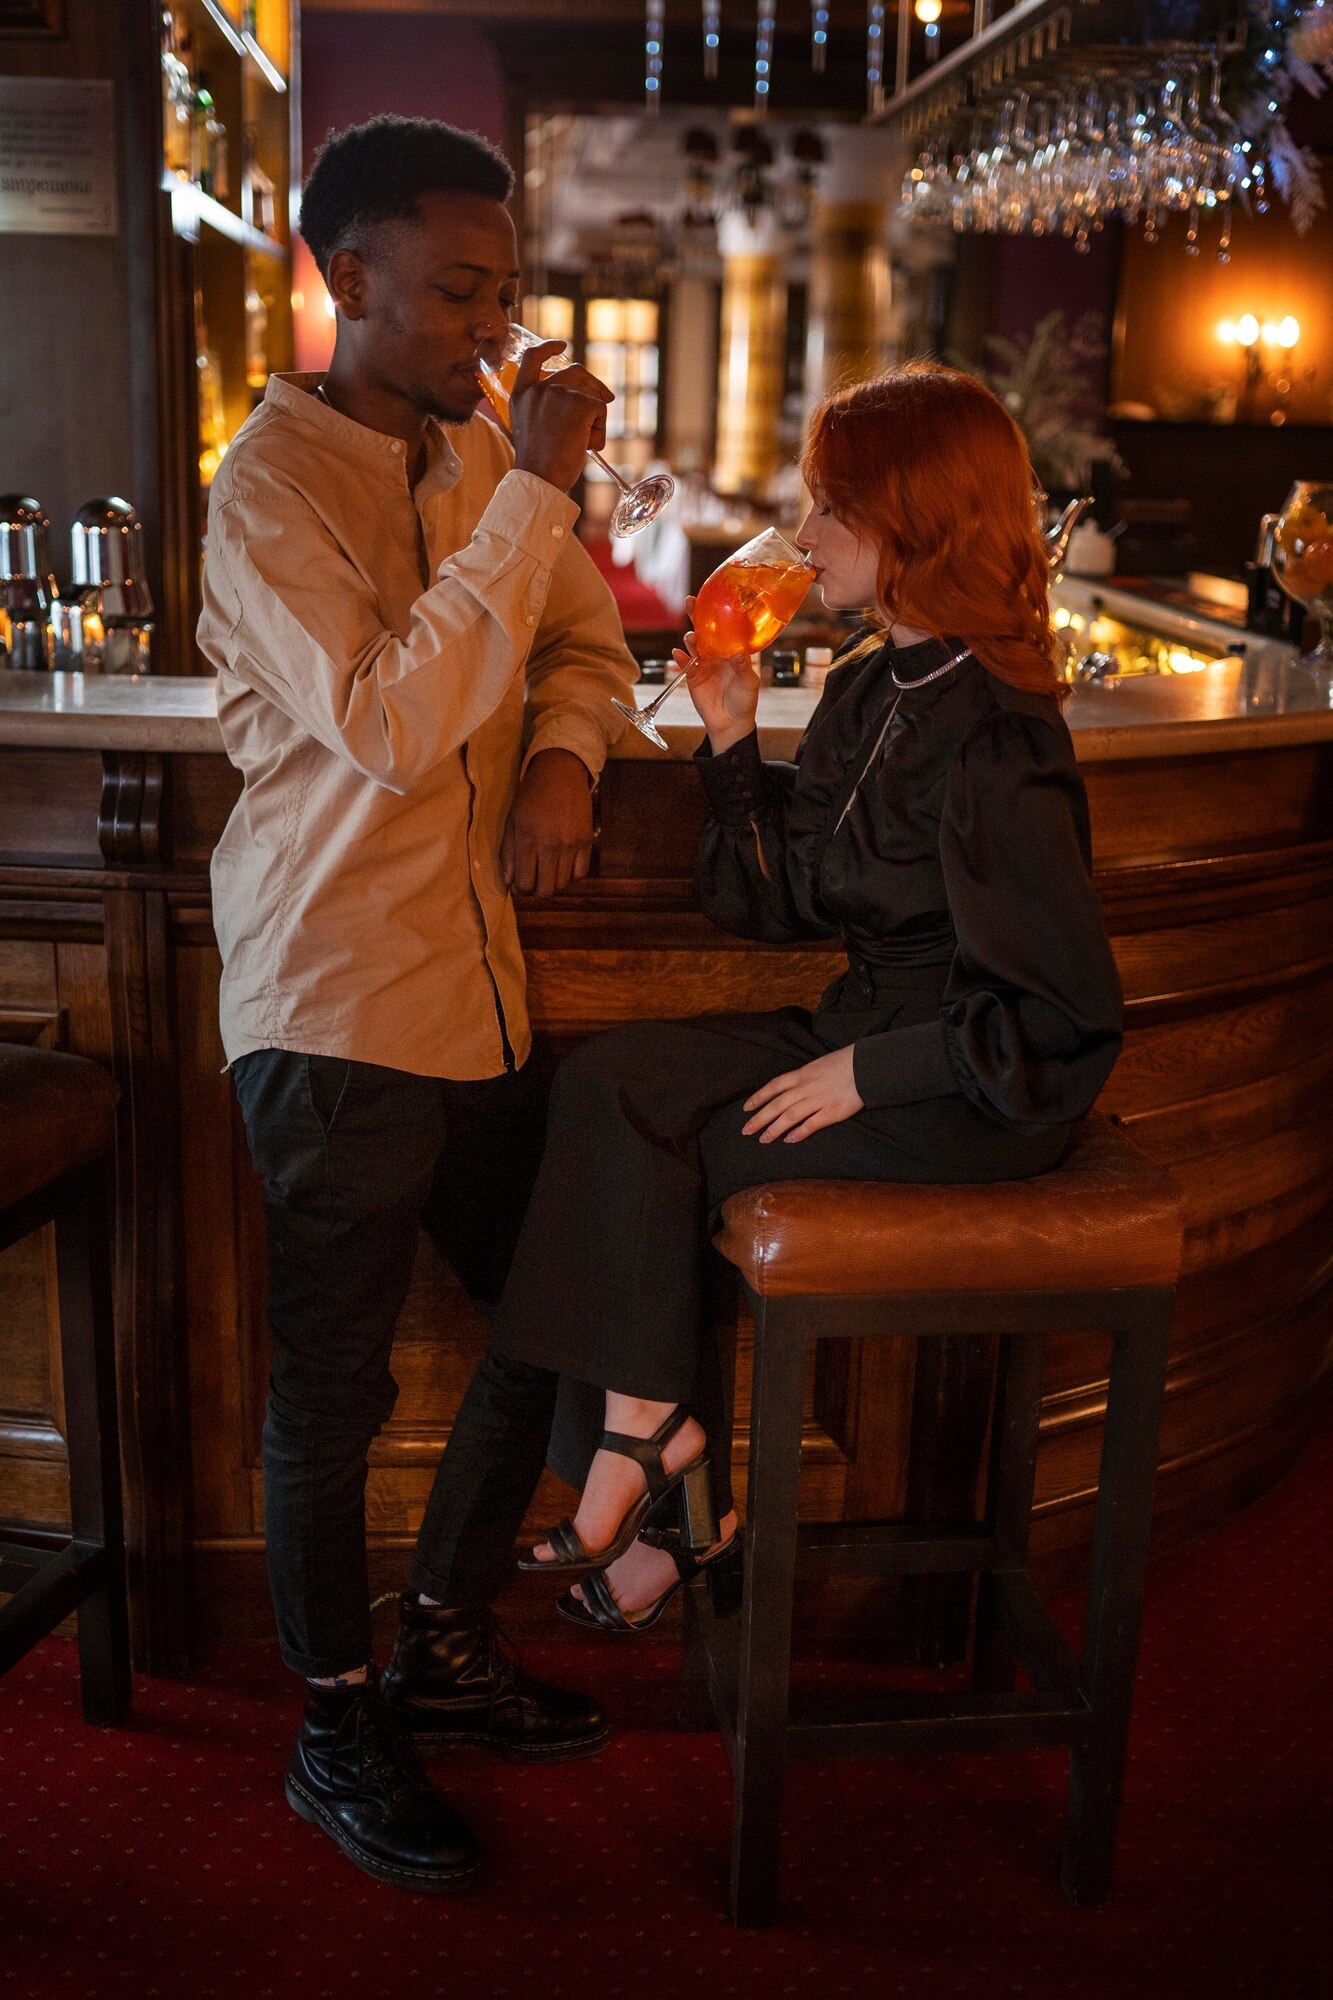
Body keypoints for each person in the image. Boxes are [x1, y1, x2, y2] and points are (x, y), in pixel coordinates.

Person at [483, 361, 1125, 1632]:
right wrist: (729, 728)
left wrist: (869, 1073)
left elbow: (1060, 1016)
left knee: (693, 1147)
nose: (803, 533)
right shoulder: (867, 684)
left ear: (915, 524)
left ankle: (658, 1474)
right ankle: (658, 1452)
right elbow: (781, 904)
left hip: (971, 1084)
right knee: (606, 1085)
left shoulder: (1003, 736)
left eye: (831, 507)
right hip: (857, 1021)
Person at [197, 115, 639, 1894]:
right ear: (348, 276)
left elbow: (582, 643)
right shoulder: (269, 490)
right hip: (333, 996)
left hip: (479, 989)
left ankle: (445, 1639)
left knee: (553, 1314)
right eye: (459, 290)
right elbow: (387, 722)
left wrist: (564, 758)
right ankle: (332, 1721)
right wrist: (533, 495)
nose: (491, 325)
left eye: (503, 291)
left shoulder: (474, 458)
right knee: (332, 1390)